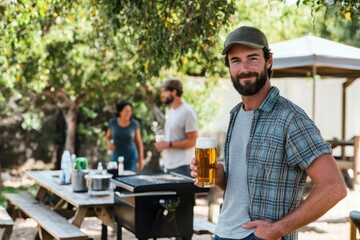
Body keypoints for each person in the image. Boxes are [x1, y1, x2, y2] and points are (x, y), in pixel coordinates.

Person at [190, 26, 347, 240]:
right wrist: (220, 177)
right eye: (236, 61)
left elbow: (334, 187)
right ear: (228, 66)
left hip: (261, 236)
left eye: (252, 58)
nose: (244, 68)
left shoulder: (291, 118)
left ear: (269, 60)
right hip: (223, 231)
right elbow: (245, 185)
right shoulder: (236, 114)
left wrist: (278, 229)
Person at [154, 78, 199, 177]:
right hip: (169, 166)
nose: (162, 95)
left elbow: (193, 141)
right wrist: (163, 144)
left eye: (165, 91)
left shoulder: (187, 112)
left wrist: (168, 144)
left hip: (183, 167)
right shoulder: (172, 111)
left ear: (174, 92)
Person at [105, 100, 144, 172]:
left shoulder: (135, 124)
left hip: (131, 156)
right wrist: (109, 144)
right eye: (126, 111)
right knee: (115, 178)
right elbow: (107, 137)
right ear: (120, 112)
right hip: (116, 155)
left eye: (130, 111)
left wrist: (141, 159)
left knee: (129, 180)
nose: (128, 113)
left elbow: (139, 142)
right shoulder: (112, 123)